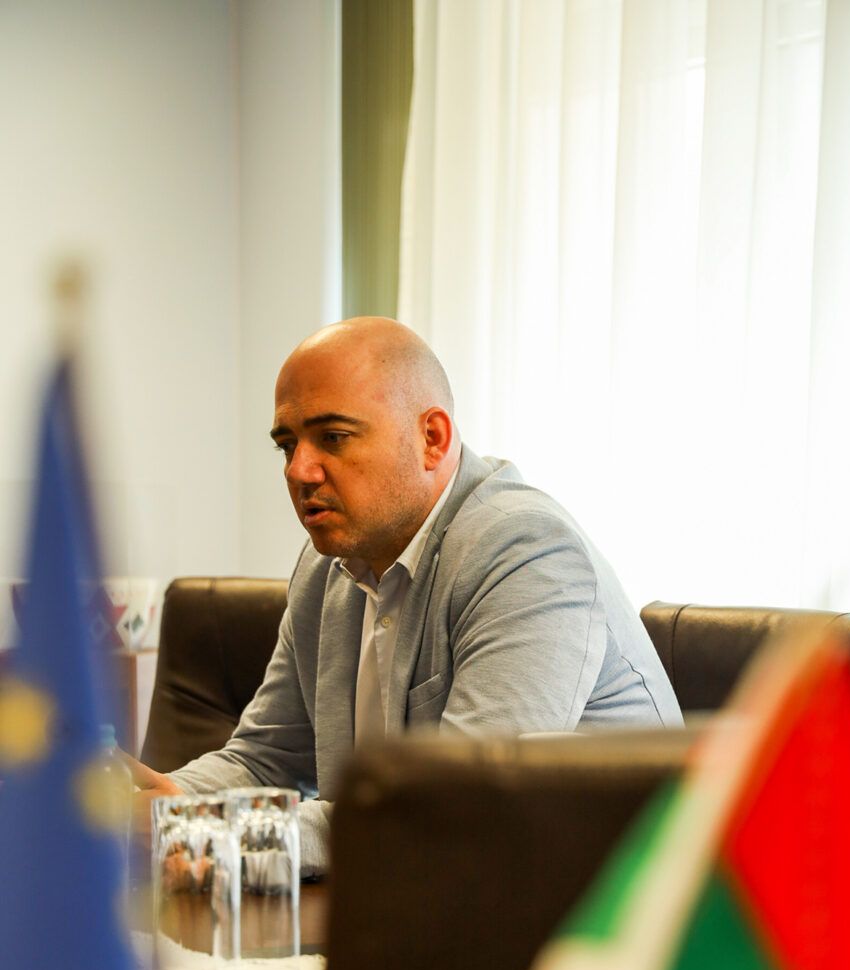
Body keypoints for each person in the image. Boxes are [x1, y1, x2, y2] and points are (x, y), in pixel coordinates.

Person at [131, 317, 681, 870]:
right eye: (287, 446)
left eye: (333, 438)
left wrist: (207, 829)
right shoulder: (326, 566)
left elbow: (454, 806)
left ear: (432, 438)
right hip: (429, 892)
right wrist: (162, 803)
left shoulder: (526, 551)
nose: (300, 471)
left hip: (599, 901)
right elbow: (265, 759)